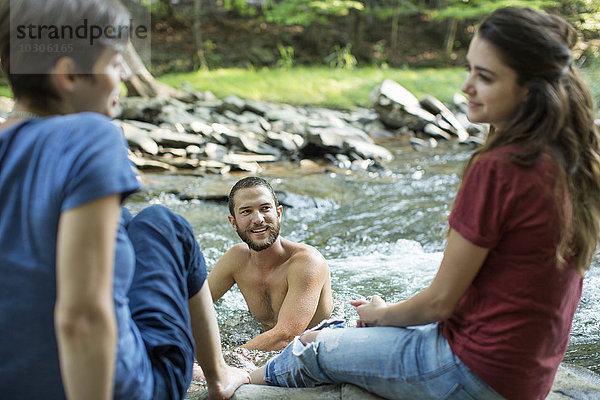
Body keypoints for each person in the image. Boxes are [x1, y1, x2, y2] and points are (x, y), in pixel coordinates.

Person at [248, 7, 600, 400]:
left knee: (315, 346)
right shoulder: (572, 160)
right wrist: (388, 316)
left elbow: (439, 302)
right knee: (343, 327)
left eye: (484, 77)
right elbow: (483, 299)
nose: (466, 87)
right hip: (524, 375)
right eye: (469, 69)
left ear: (530, 89)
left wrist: (381, 316)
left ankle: (238, 382)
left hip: (470, 372)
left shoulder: (500, 168)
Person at [0, 1, 248, 399]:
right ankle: (219, 377)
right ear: (69, 75)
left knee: (131, 220)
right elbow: (81, 317)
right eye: (116, 63)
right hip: (122, 386)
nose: (126, 74)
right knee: (164, 224)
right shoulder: (90, 135)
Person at [207, 177, 333, 351]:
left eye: (265, 208)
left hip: (308, 348)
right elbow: (190, 305)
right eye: (246, 212)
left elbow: (286, 337)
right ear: (233, 223)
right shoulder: (236, 258)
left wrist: (217, 362)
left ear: (279, 213)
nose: (258, 219)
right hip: (259, 340)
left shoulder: (307, 263)